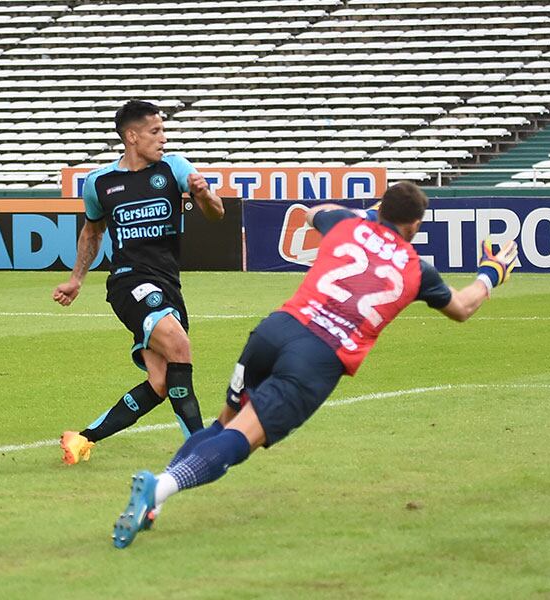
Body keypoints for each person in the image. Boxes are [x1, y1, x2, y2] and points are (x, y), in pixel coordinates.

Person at [110, 181, 518, 548]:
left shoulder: (345, 223)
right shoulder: (416, 268)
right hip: (318, 356)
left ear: (379, 208)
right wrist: (491, 272)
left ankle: (155, 501)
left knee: (223, 425)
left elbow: (312, 211)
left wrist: (365, 217)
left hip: (277, 329)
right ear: (414, 226)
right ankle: (160, 487)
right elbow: (462, 308)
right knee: (241, 440)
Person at [53, 99, 225, 465]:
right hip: (129, 282)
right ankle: (200, 449)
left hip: (168, 285)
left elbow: (216, 213)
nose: (163, 138)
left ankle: (81, 439)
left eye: (162, 130)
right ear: (132, 136)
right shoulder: (100, 183)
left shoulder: (174, 168)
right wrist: (76, 279)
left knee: (161, 383)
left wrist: (203, 192)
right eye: (155, 131)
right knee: (179, 344)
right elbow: (92, 232)